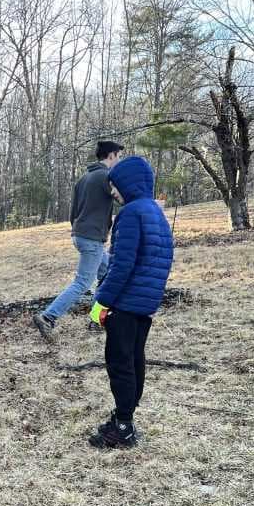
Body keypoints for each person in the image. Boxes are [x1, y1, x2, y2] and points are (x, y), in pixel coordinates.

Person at [88, 155, 173, 448]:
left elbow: (121, 264)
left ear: (128, 184)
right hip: (145, 304)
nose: (113, 193)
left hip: (125, 303)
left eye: (115, 187)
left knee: (119, 362)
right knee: (135, 359)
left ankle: (123, 427)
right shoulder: (155, 212)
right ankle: (124, 416)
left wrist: (102, 301)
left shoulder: (131, 213)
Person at [34, 140, 124, 340]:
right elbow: (122, 199)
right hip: (92, 238)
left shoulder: (84, 178)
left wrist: (77, 230)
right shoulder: (105, 176)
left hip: (80, 234)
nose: (119, 160)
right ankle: (48, 317)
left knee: (108, 273)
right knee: (82, 282)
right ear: (111, 156)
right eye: (119, 156)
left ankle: (96, 320)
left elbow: (73, 211)